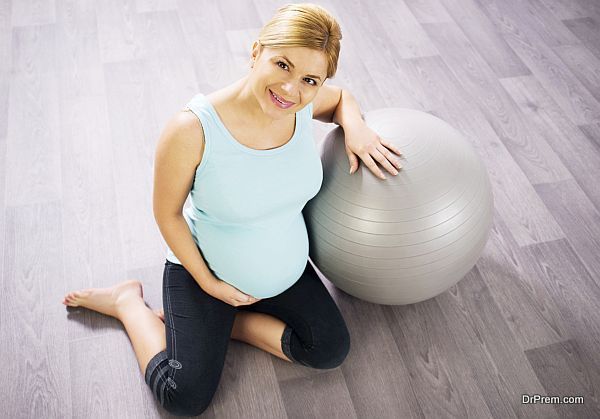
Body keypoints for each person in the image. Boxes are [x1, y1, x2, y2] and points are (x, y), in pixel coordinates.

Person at [62, 3, 402, 417]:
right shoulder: (191, 129)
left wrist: (357, 127)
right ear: (256, 51)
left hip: (286, 275)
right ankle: (127, 304)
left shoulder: (303, 106)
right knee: (183, 398)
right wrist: (209, 284)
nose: (291, 89)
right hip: (203, 275)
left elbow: (343, 98)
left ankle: (228, 325)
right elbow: (166, 214)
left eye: (309, 80)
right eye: (282, 64)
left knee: (329, 350)